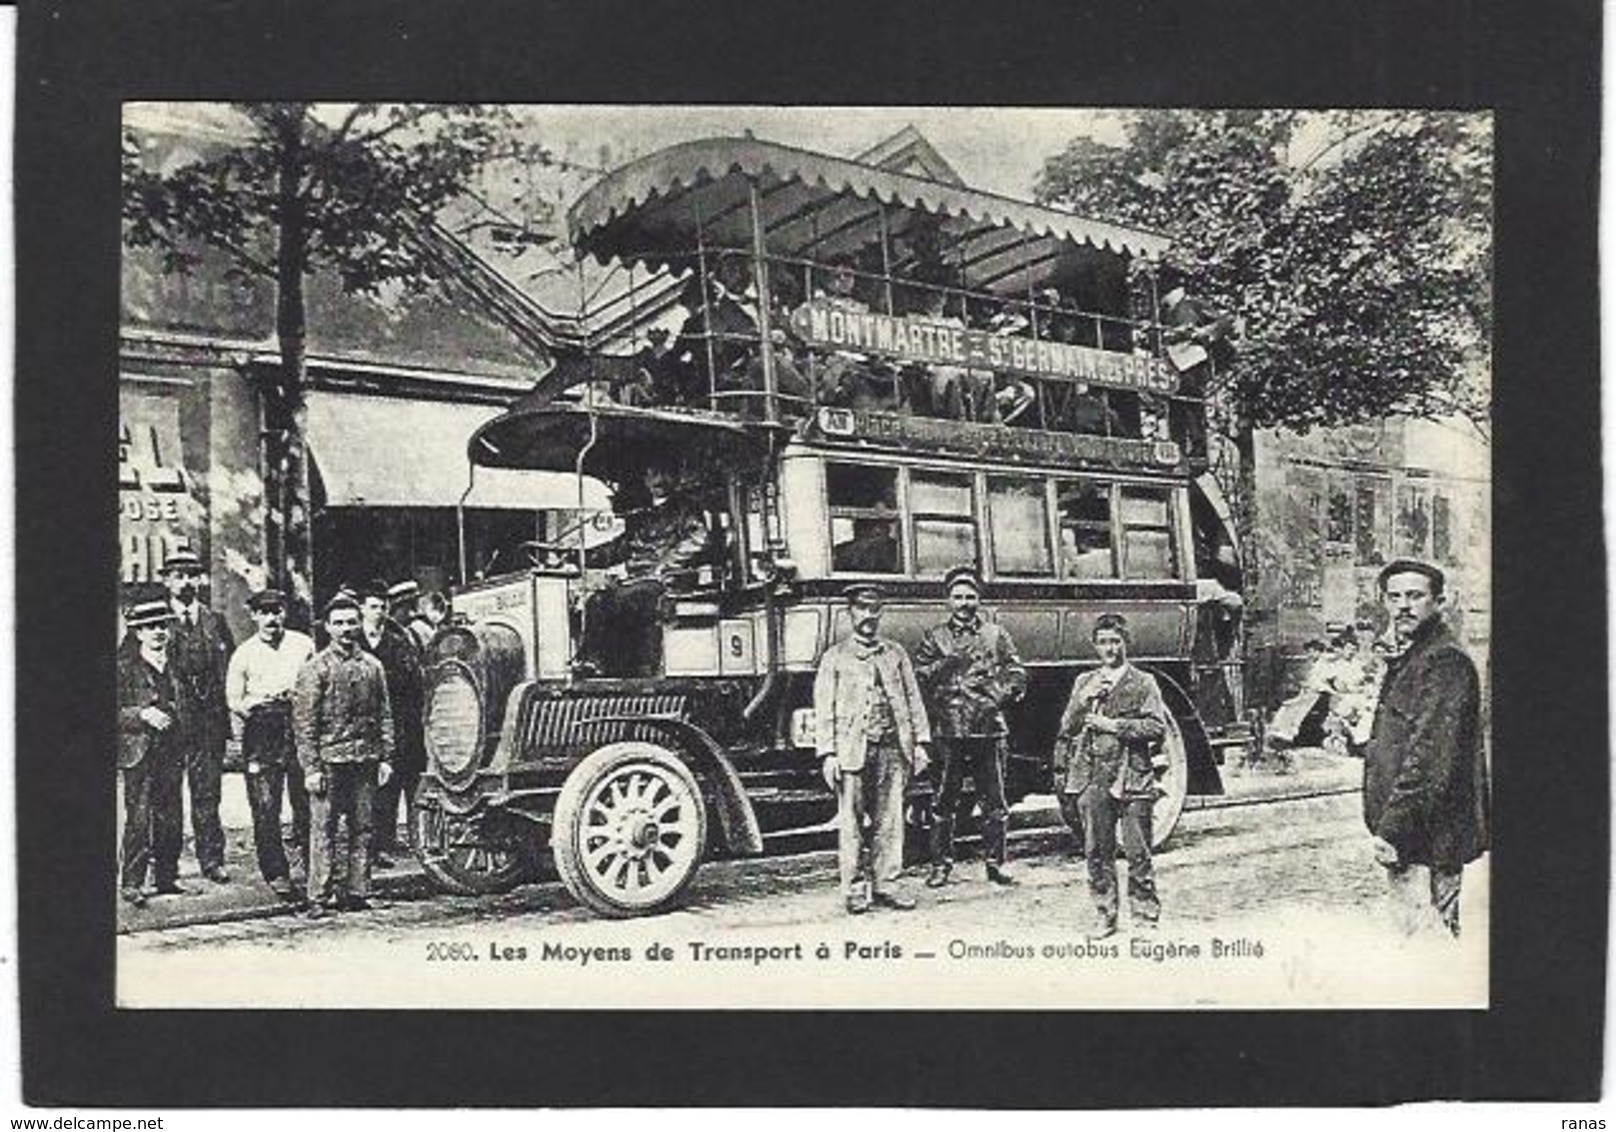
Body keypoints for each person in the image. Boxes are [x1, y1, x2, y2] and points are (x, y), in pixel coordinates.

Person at [1363, 559, 1489, 937]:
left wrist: (1392, 829)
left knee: (1426, 944)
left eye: (1415, 596)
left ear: (1439, 601)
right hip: (1418, 836)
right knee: (1422, 942)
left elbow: (1429, 757)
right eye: (1394, 596)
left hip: (1428, 836)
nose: (1403, 606)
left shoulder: (1445, 660)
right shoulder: (1417, 654)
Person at [812, 583, 931, 914]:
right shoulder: (834, 657)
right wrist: (828, 754)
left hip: (893, 749)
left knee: (891, 822)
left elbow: (912, 699)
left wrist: (920, 743)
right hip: (852, 751)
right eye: (862, 609)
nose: (869, 616)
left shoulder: (895, 654)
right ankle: (853, 889)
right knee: (850, 825)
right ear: (850, 612)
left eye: (874, 609)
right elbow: (824, 709)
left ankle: (886, 884)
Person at [1053, 613, 1171, 937]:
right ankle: (1105, 915)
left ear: (1125, 643)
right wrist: (1083, 700)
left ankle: (1146, 917)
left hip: (1132, 775)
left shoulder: (1143, 682)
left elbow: (1156, 726)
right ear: (1095, 645)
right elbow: (1067, 727)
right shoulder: (1084, 682)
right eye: (1103, 642)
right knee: (1096, 851)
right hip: (1093, 775)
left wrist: (1115, 726)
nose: (1109, 648)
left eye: (1115, 641)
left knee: (1138, 852)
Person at [913, 565, 1027, 887]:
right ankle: (940, 866)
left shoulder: (995, 634)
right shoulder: (934, 637)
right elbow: (919, 675)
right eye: (958, 597)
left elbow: (1016, 673)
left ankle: (995, 864)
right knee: (943, 801)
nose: (964, 603)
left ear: (978, 600)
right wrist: (946, 664)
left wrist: (997, 697)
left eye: (970, 597)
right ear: (948, 601)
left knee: (995, 801)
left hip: (988, 727)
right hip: (949, 728)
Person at [293, 593, 395, 918]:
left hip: (365, 759)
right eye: (338, 623)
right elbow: (304, 723)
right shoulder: (315, 668)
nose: (346, 629)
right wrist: (310, 767)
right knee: (323, 830)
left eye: (352, 622)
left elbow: (385, 714)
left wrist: (386, 758)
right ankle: (318, 898)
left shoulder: (373, 667)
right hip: (329, 762)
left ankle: (358, 892)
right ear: (327, 627)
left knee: (363, 828)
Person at [579, 467, 716, 677]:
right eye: (653, 473)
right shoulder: (643, 516)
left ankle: (624, 666)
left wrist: (663, 566)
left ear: (675, 477)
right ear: (645, 479)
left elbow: (698, 539)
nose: (659, 479)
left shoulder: (686, 508)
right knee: (596, 601)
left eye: (665, 473)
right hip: (640, 582)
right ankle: (598, 664)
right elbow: (617, 548)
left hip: (668, 582)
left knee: (622, 599)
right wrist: (575, 556)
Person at [224, 588, 316, 900]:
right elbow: (234, 699)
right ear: (254, 616)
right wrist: (258, 706)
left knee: (306, 798)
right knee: (265, 804)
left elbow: (315, 683)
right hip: (263, 730)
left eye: (277, 611)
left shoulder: (303, 645)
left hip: (298, 725)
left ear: (284, 613)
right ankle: (276, 871)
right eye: (264, 612)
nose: (272, 618)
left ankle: (314, 866)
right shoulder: (244, 653)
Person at [159, 549, 235, 884]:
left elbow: (230, 671)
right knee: (166, 798)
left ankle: (211, 860)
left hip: (208, 725)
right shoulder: (154, 620)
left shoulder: (214, 621)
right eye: (178, 575)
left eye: (192, 574)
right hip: (170, 727)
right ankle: (165, 867)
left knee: (208, 796)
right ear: (166, 580)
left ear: (200, 579)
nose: (186, 581)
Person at [117, 594, 187, 905]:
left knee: (171, 817)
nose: (158, 631)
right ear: (138, 632)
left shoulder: (177, 664)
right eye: (150, 626)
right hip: (140, 752)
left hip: (171, 750)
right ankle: (132, 883)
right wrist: (142, 714)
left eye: (162, 626)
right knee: (139, 819)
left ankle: (167, 879)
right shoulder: (123, 668)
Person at [359, 581, 426, 864]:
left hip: (401, 721)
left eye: (383, 607)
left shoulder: (399, 641)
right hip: (365, 723)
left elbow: (414, 683)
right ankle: (375, 844)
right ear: (362, 609)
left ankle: (411, 839)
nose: (379, 612)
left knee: (404, 779)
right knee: (375, 786)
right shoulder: (352, 639)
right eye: (373, 607)